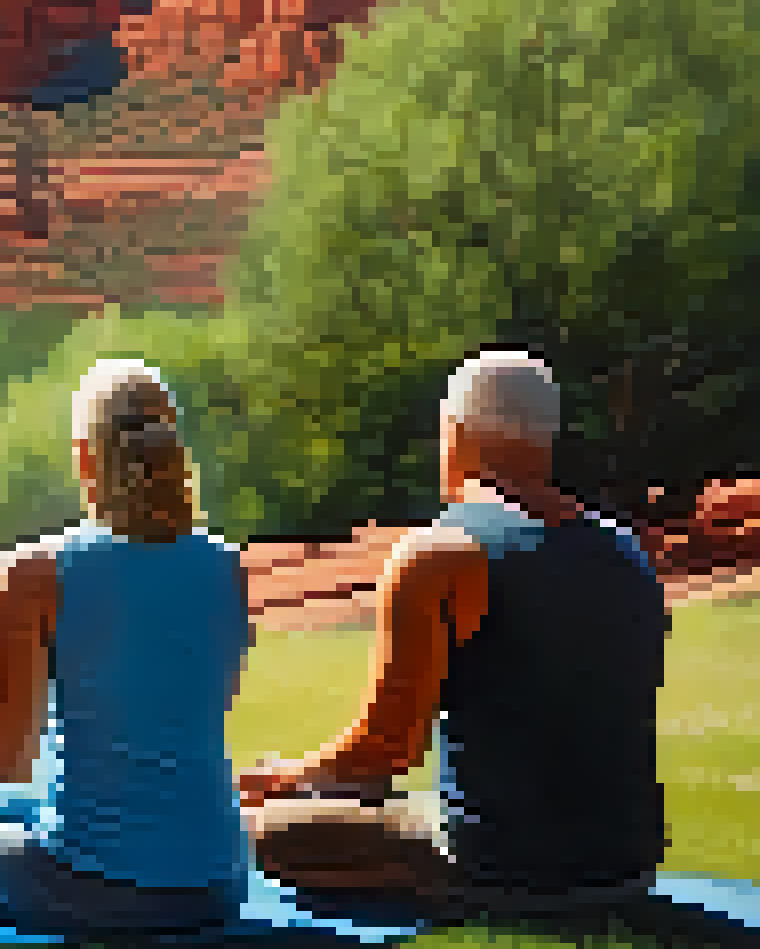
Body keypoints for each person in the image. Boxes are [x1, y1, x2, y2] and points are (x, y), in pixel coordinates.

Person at [240, 350, 668, 915]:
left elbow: (387, 750)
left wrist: (288, 779)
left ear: (455, 432)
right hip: (626, 865)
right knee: (365, 799)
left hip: (503, 868)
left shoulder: (438, 550)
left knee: (252, 827)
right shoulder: (622, 546)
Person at [0, 360, 251, 933]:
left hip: (100, 891)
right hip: (219, 883)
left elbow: (5, 757)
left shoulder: (38, 571)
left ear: (85, 455)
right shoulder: (226, 565)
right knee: (2, 799)